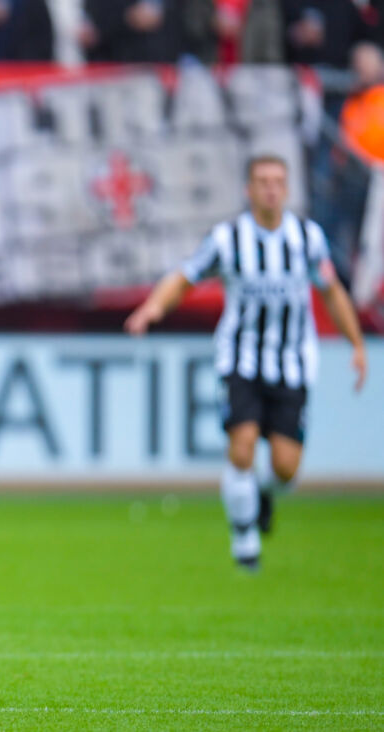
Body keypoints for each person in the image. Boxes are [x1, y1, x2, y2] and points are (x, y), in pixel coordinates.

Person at [125, 155, 367, 571]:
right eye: (262, 181)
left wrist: (357, 344)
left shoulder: (307, 239)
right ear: (248, 189)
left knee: (286, 468)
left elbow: (332, 292)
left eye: (277, 181)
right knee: (242, 445)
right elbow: (185, 277)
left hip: (292, 362)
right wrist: (152, 308)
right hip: (241, 358)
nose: (270, 189)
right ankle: (245, 542)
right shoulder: (228, 239)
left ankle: (262, 494)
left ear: (286, 189)